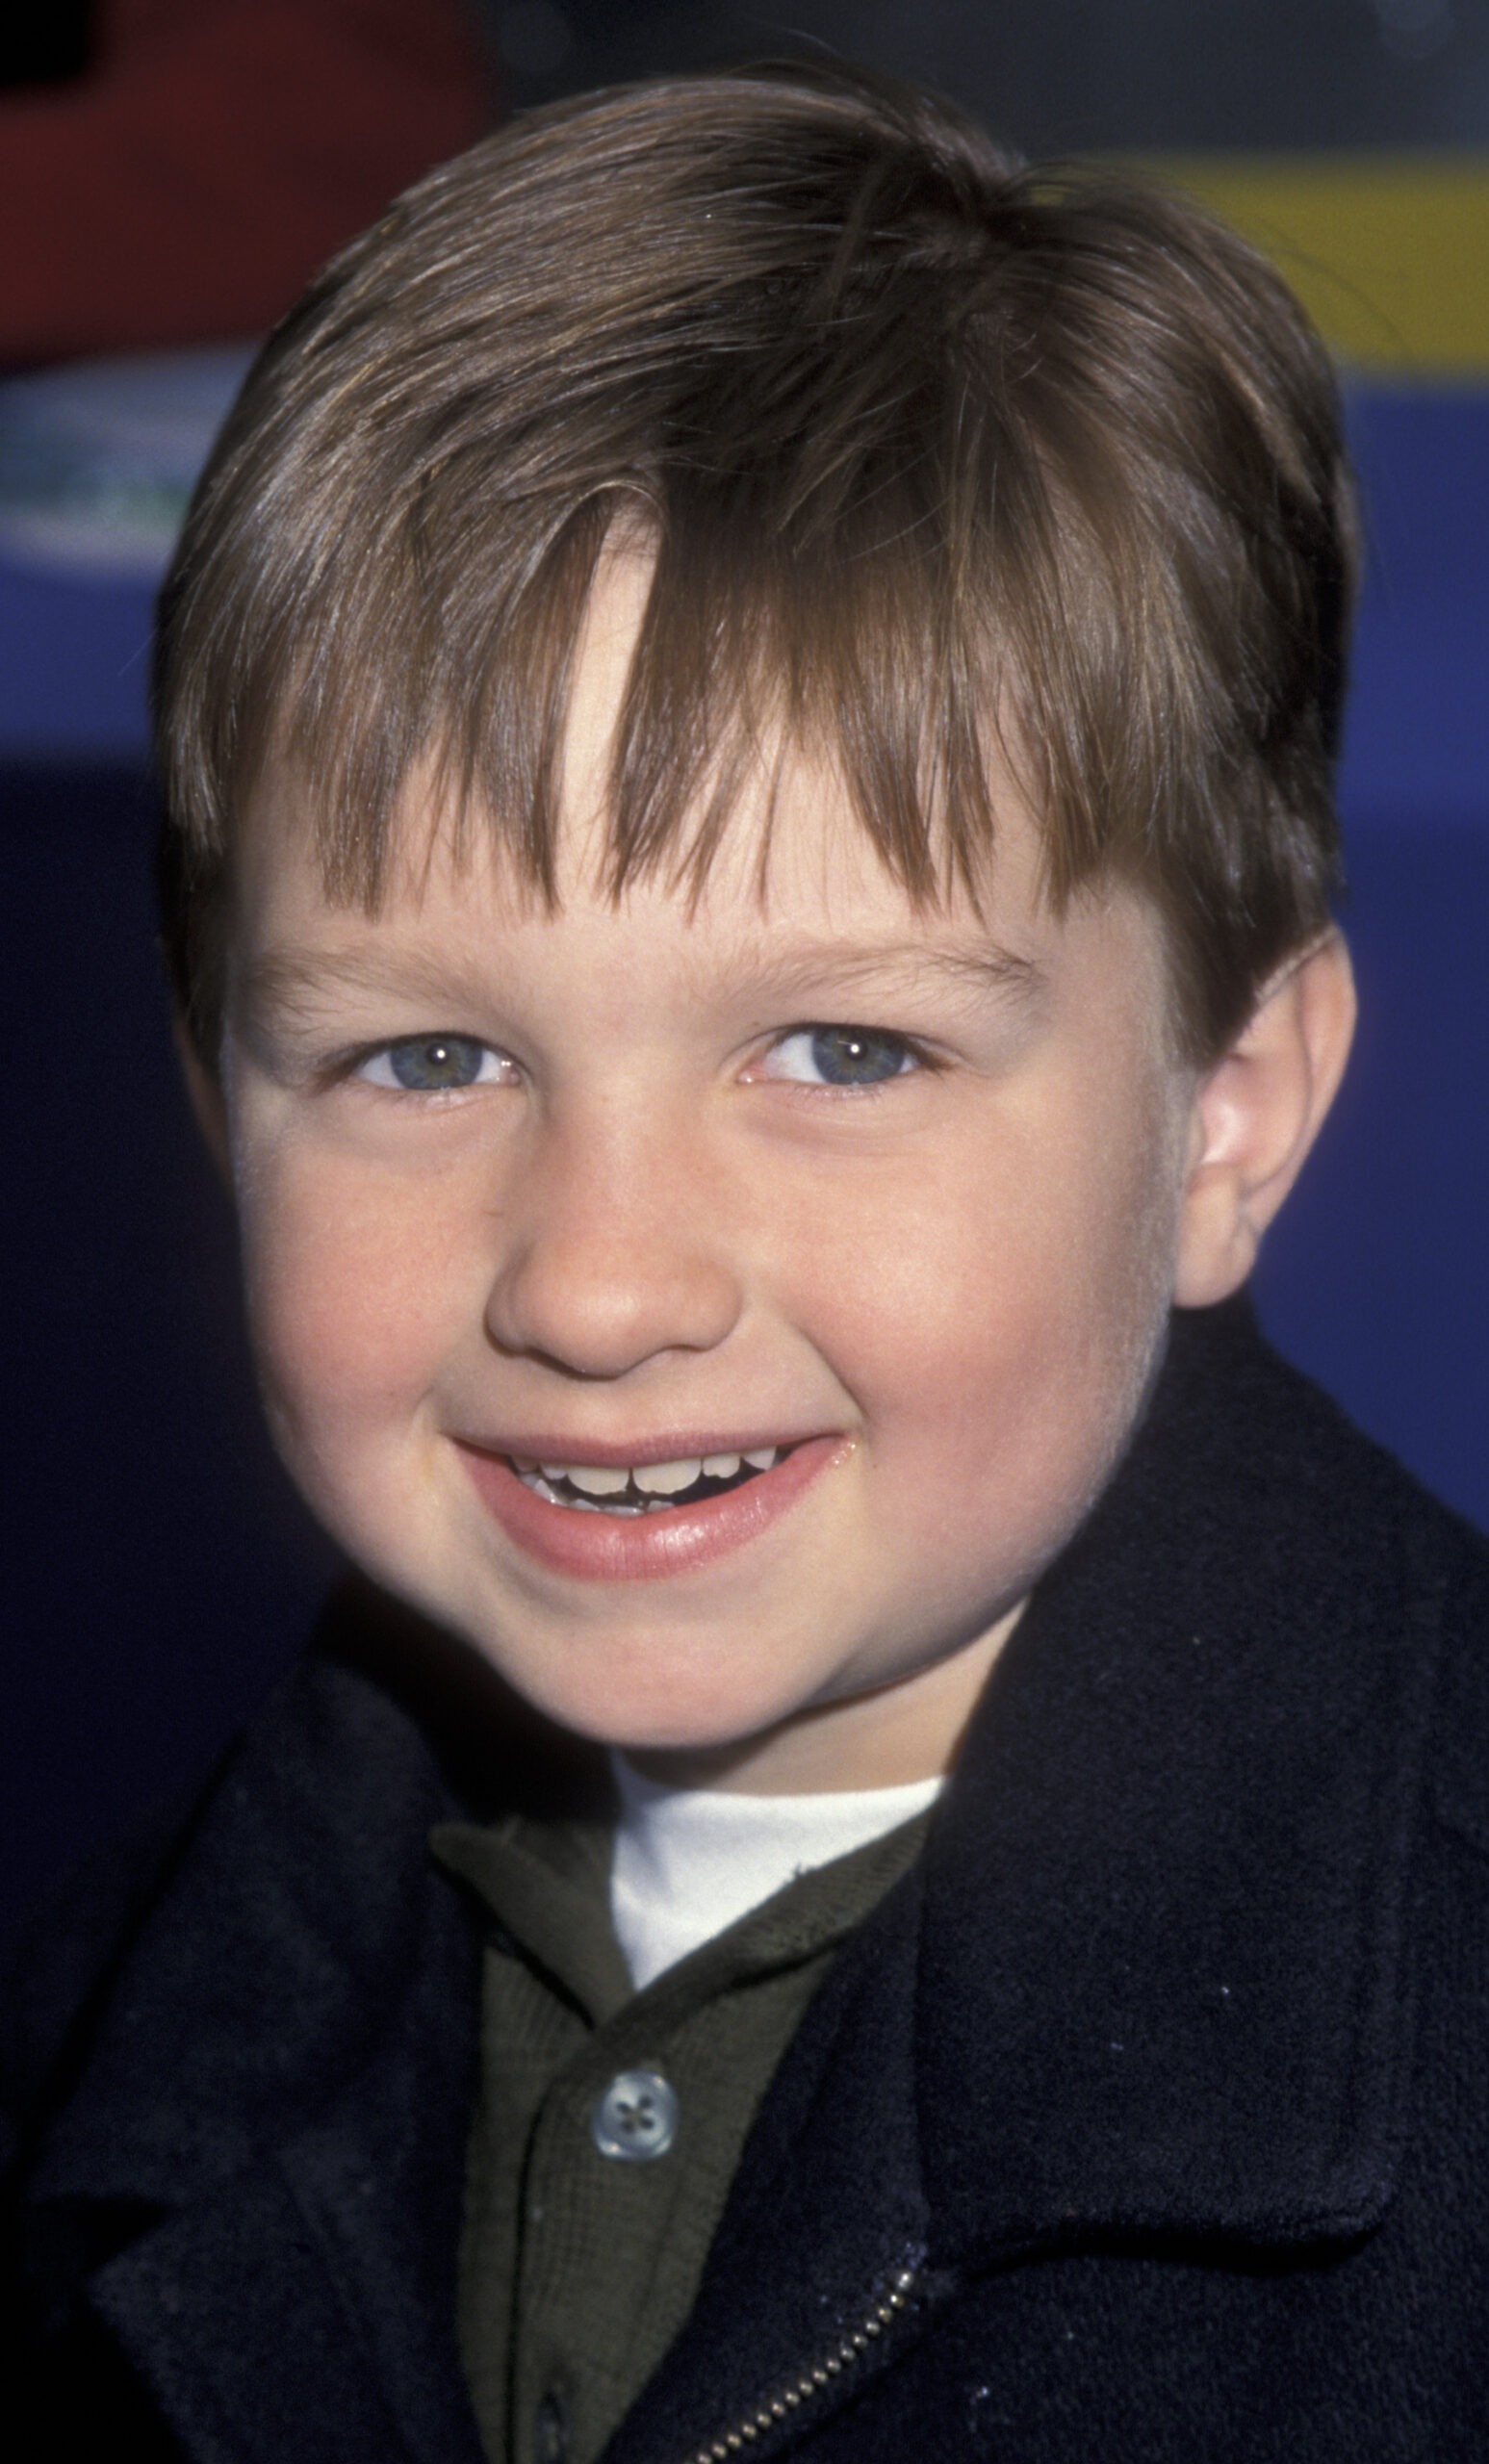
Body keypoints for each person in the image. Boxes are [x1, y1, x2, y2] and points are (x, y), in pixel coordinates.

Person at [6, 59, 1487, 2463]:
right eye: (425, 1059)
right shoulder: (107, 2024)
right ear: (216, 1096)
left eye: (841, 1048)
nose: (599, 1288)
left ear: (1228, 1106)